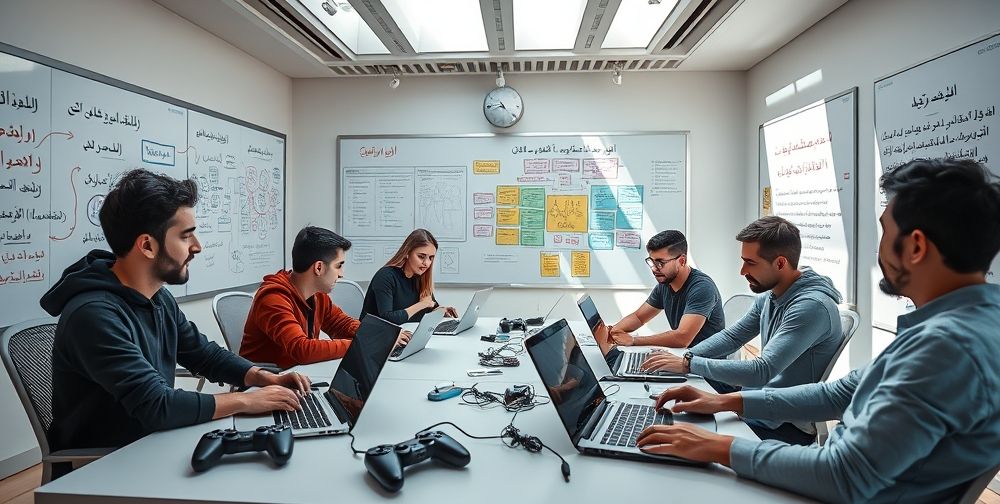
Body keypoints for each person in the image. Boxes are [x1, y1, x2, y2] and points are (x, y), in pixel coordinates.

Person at [637, 158, 1000, 503]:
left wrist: (714, 446)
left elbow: (842, 475)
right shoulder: (960, 324)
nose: (878, 249)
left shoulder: (945, 349)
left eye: (885, 233)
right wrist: (727, 401)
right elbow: (840, 392)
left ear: (916, 246)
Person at [40, 169, 309, 457]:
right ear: (147, 245)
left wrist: (265, 378)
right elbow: (157, 406)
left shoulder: (157, 298)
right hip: (108, 462)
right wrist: (246, 402)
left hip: (155, 441)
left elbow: (203, 354)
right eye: (185, 236)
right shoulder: (93, 316)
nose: (197, 246)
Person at [641, 216, 842, 445]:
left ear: (780, 263)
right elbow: (732, 336)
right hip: (753, 406)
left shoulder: (811, 307)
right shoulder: (771, 295)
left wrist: (688, 364)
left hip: (782, 426)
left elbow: (762, 370)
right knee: (670, 416)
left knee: (675, 436)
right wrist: (686, 357)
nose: (742, 271)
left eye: (751, 263)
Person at [241, 226, 409, 368]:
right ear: (319, 268)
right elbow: (302, 350)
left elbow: (341, 324)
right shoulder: (273, 298)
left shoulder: (317, 295)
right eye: (339, 266)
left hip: (297, 377)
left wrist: (381, 334)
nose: (341, 274)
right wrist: (370, 344)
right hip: (264, 388)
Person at [607, 230, 725, 348]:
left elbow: (682, 338)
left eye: (660, 263)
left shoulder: (702, 288)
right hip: (684, 355)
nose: (654, 269)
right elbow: (638, 317)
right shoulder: (665, 284)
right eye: (651, 262)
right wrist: (612, 332)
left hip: (705, 361)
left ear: (682, 261)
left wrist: (633, 340)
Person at [361, 229, 456, 324]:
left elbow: (429, 308)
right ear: (407, 252)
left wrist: (440, 311)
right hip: (376, 336)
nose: (426, 263)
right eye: (421, 256)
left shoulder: (420, 278)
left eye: (431, 258)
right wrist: (421, 304)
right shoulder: (385, 276)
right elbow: (388, 319)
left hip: (407, 334)